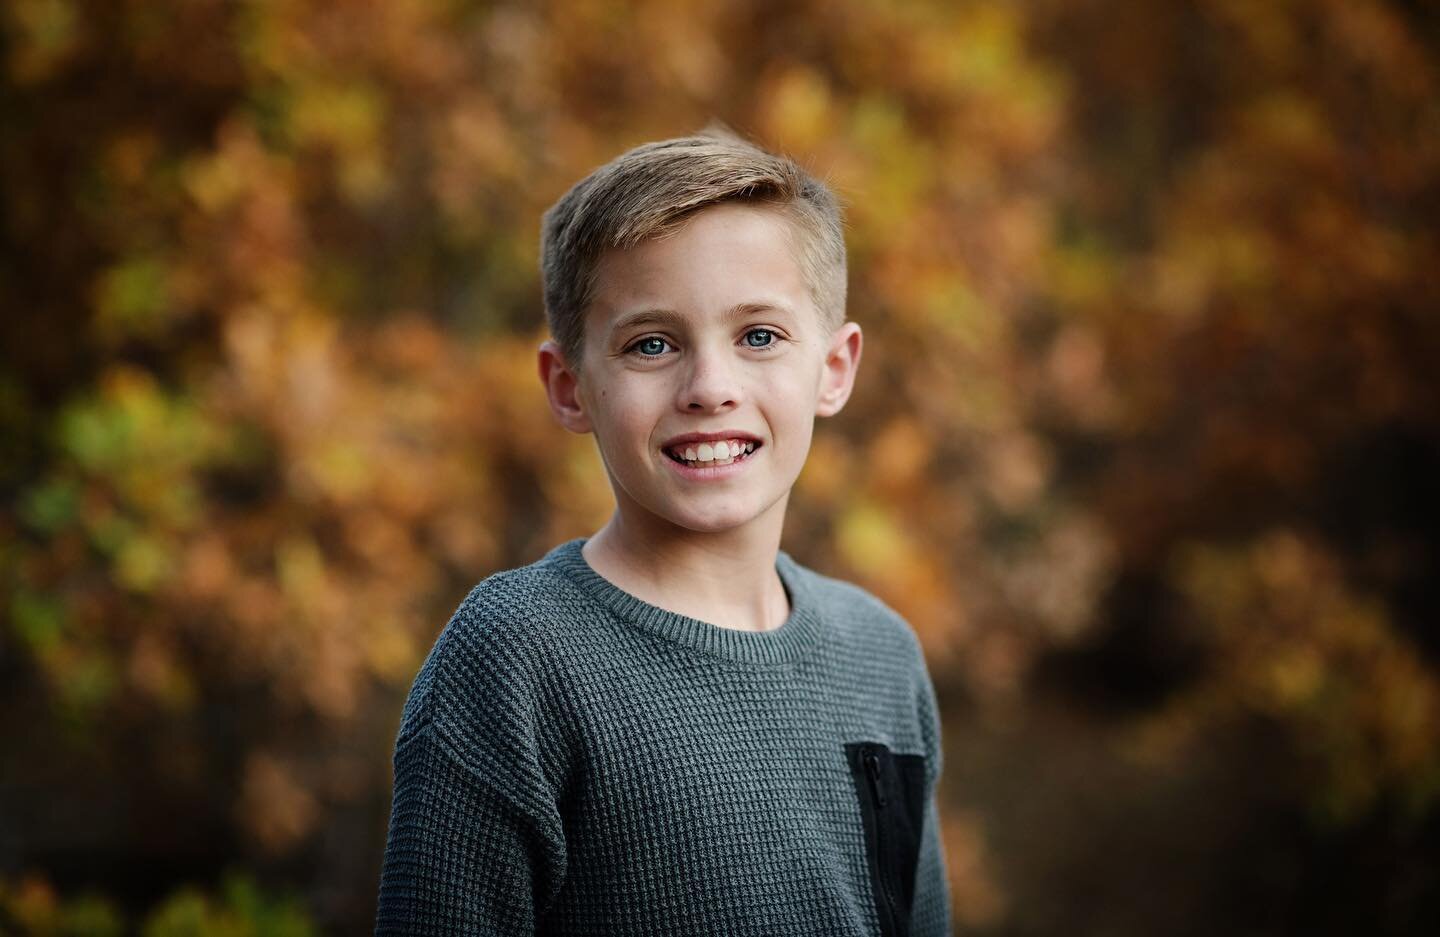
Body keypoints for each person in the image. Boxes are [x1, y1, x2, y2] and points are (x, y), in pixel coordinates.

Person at [374, 127, 953, 937]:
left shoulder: (880, 655)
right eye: (651, 343)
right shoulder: (517, 655)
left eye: (759, 335)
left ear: (834, 367)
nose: (710, 387)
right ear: (571, 387)